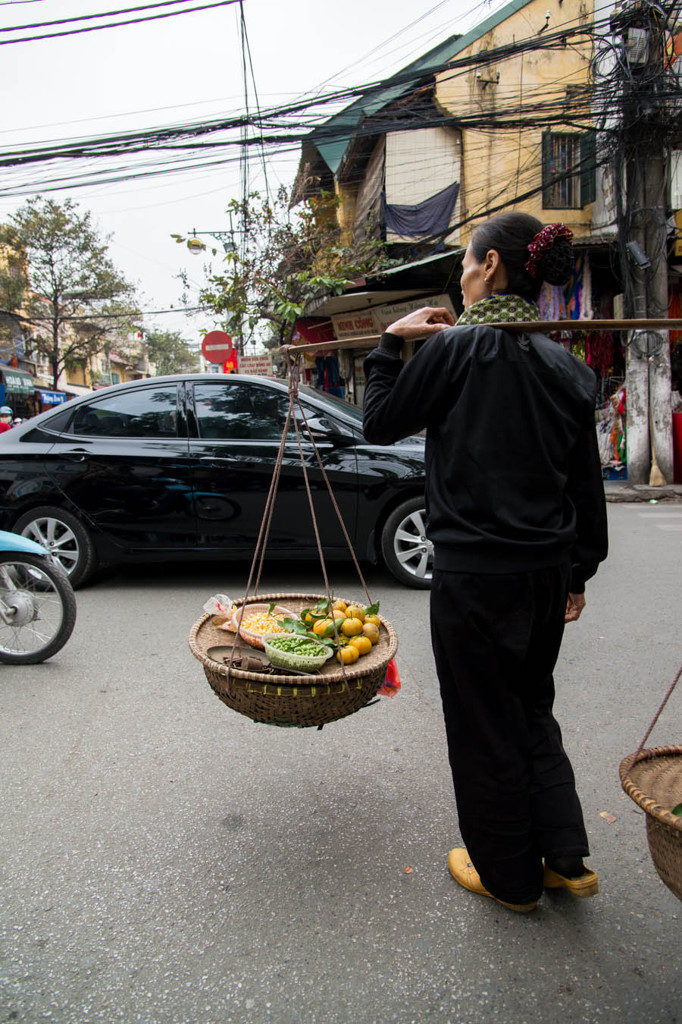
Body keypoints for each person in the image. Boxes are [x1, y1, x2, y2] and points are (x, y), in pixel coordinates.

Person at [363, 212, 608, 913]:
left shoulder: (456, 349)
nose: (461, 277)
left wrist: (390, 342)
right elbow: (584, 489)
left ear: (492, 266)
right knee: (531, 705)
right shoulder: (568, 368)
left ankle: (510, 876)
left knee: (483, 722)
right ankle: (563, 855)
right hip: (545, 575)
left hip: (476, 576)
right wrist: (579, 573)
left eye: (466, 265)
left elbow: (378, 421)